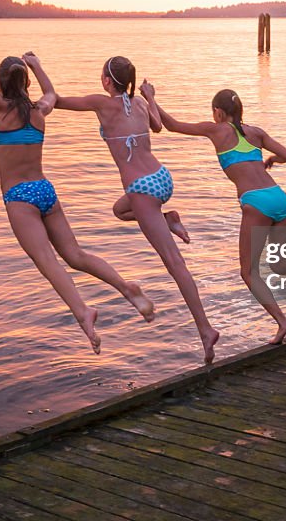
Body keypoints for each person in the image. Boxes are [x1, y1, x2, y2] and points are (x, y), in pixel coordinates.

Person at [0, 2, 154, 354]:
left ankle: (83, 311)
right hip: (46, 192)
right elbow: (51, 94)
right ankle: (126, 288)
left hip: (19, 197)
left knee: (46, 260)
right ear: (27, 82)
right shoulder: (39, 110)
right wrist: (38, 65)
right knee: (75, 254)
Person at [53, 56, 220, 363]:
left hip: (142, 189)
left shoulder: (101, 103)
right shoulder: (141, 104)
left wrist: (35, 74)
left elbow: (57, 101)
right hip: (161, 178)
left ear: (106, 80)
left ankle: (205, 329)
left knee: (175, 263)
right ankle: (168, 219)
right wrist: (151, 96)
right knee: (119, 210)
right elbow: (158, 127)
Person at [141, 85, 286, 344]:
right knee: (280, 264)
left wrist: (150, 98)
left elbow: (171, 125)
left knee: (248, 272)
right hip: (278, 198)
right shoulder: (256, 132)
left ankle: (283, 322)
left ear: (218, 112)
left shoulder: (216, 129)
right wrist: (271, 161)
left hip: (256, 202)